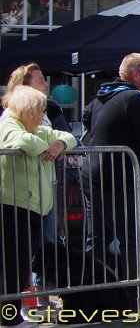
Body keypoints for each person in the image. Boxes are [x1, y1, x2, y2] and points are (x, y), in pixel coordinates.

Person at [81, 52, 140, 308]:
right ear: (136, 75)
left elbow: (87, 119)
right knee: (133, 238)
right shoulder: (135, 97)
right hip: (119, 177)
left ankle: (91, 295)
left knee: (96, 239)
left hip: (93, 173)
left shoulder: (102, 95)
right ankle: (137, 295)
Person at [1, 86, 76, 326]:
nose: (43, 115)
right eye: (39, 110)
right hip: (13, 206)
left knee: (21, 267)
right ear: (28, 110)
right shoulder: (9, 124)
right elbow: (24, 142)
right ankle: (9, 318)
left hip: (34, 207)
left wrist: (59, 145)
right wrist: (47, 146)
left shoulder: (36, 127)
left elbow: (69, 136)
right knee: (12, 267)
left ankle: (11, 316)